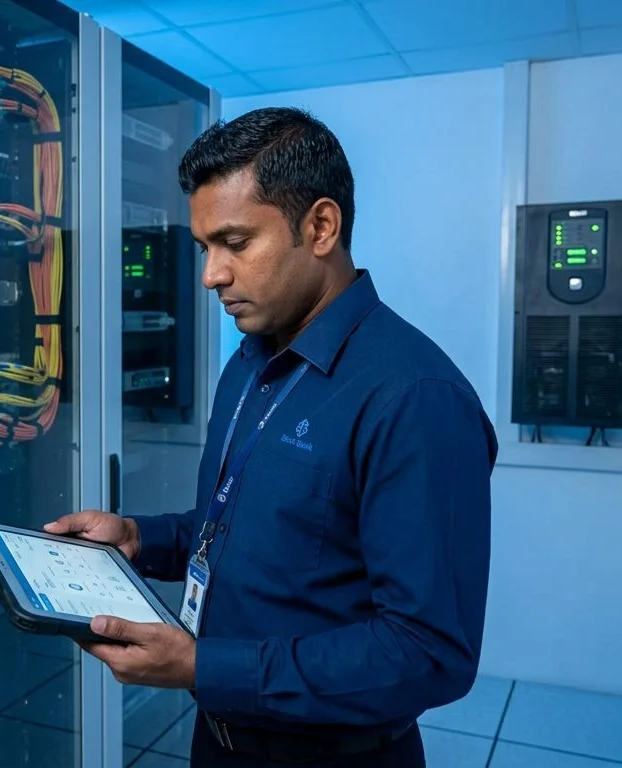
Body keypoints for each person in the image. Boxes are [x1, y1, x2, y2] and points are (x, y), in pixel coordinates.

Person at [45, 106, 497, 767]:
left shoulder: (413, 397)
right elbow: (243, 527)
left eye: (235, 243)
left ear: (319, 226)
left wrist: (207, 665)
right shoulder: (251, 361)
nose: (211, 275)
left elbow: (428, 653)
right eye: (205, 248)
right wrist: (141, 539)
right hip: (220, 740)